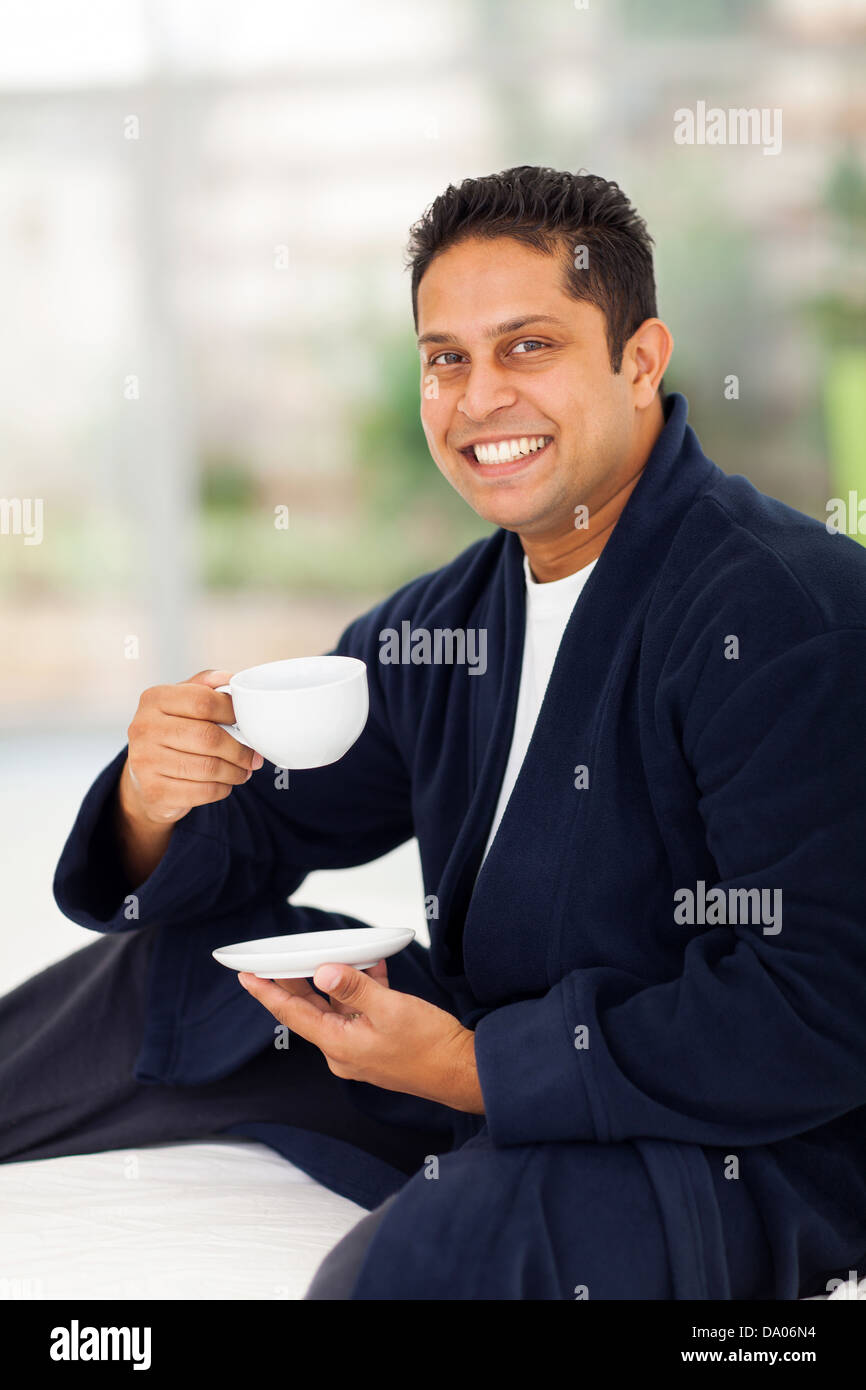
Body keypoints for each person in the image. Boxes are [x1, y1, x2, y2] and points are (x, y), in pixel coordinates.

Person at [3, 166, 866, 1301]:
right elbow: (261, 828)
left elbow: (817, 999)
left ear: (640, 359)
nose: (476, 397)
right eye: (445, 358)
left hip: (738, 1136)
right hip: (486, 1050)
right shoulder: (447, 623)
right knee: (158, 977)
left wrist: (474, 1069)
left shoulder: (780, 612)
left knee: (420, 1266)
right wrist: (156, 798)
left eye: (527, 347)